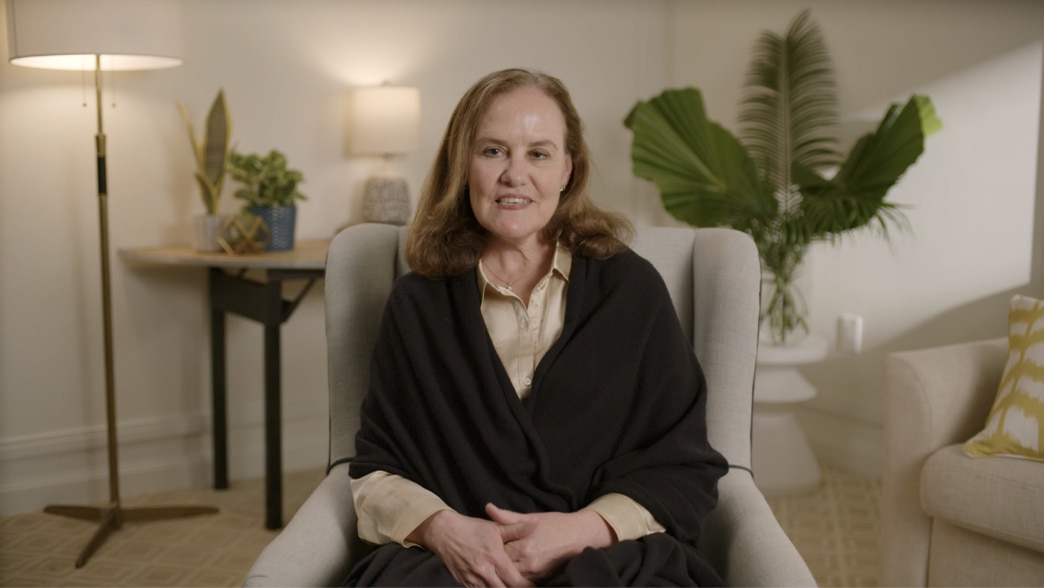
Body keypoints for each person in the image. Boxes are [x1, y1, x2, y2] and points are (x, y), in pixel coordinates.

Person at [345, 68, 728, 587]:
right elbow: (377, 469)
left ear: (568, 169)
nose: (515, 175)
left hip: (605, 555)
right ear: (463, 164)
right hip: (457, 561)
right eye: (493, 151)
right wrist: (444, 530)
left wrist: (583, 530)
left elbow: (683, 465)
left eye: (539, 154)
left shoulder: (632, 290)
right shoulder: (417, 305)